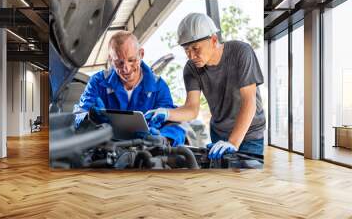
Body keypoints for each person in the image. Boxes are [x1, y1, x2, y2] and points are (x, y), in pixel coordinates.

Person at [145, 13, 266, 160]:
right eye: (186, 50)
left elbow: (249, 102)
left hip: (249, 135)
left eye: (195, 48)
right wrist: (166, 113)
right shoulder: (191, 68)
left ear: (214, 40)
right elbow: (192, 109)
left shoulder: (241, 52)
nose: (191, 56)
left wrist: (233, 142)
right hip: (219, 135)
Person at [73, 30, 185, 147]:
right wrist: (89, 117)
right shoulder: (97, 82)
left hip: (145, 153)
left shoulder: (159, 87)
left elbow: (173, 125)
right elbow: (77, 116)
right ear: (111, 59)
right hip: (107, 150)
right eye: (119, 62)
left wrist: (164, 139)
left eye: (131, 60)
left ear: (141, 54)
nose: (126, 68)